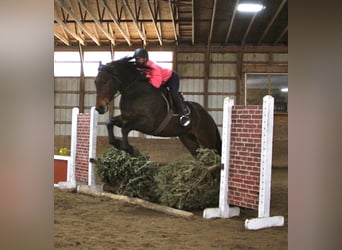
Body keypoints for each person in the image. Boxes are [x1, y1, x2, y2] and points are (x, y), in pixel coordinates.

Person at [133, 48, 191, 127]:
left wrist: (146, 77)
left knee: (173, 94)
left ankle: (183, 114)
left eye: (138, 59)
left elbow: (156, 84)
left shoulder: (154, 68)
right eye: (136, 59)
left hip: (171, 78)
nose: (137, 61)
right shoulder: (141, 66)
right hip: (162, 80)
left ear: (145, 59)